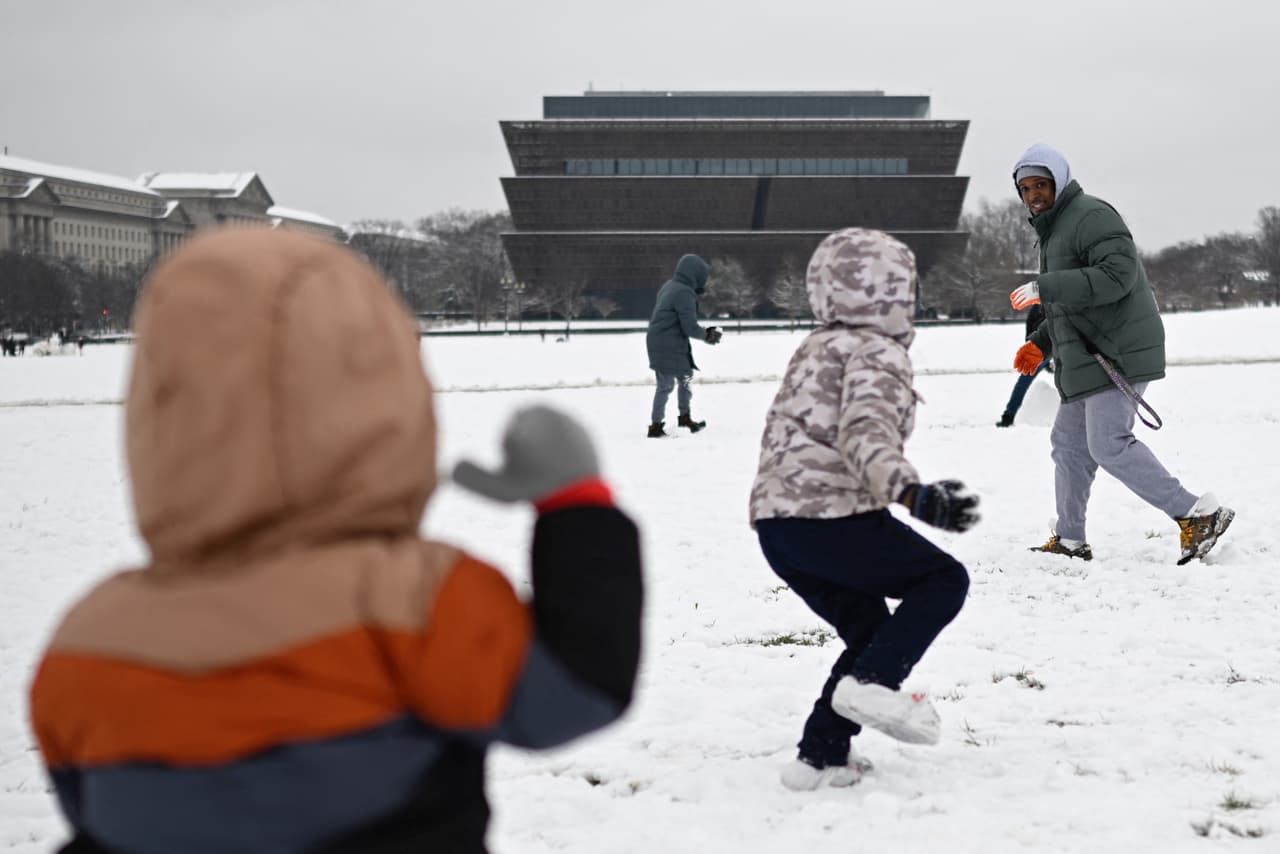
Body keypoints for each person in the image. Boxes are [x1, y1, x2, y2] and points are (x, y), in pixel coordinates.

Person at [28, 228, 644, 854]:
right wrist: (576, 509)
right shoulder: (414, 601)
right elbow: (572, 693)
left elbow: (90, 813)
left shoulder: (86, 643)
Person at [749, 228, 980, 791]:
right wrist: (912, 494)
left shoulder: (814, 345)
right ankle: (874, 683)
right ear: (899, 291)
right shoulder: (879, 351)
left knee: (869, 629)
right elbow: (864, 431)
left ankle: (819, 756)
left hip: (778, 528)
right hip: (832, 518)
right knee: (943, 580)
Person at [1009, 143, 1234, 564]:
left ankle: (1196, 513)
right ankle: (1071, 540)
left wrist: (1045, 288)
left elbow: (1116, 277)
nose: (1034, 194)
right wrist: (1040, 342)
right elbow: (1073, 304)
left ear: (1058, 182)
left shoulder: (1091, 216)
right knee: (1069, 445)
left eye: (1041, 184)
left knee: (1108, 443)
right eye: (1026, 187)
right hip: (1089, 355)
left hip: (1118, 350)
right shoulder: (1053, 232)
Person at [645, 253, 721, 437]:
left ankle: (684, 418)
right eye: (702, 277)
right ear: (694, 274)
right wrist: (707, 335)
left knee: (686, 378)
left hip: (670, 342)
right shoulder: (683, 292)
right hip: (665, 344)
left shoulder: (671, 286)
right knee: (666, 385)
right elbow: (689, 327)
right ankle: (655, 426)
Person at [996, 302, 1049, 427]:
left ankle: (1009, 415)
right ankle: (1009, 415)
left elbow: (1029, 332)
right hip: (1045, 351)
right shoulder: (1046, 307)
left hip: (1041, 351)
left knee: (1023, 383)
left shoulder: (1038, 308)